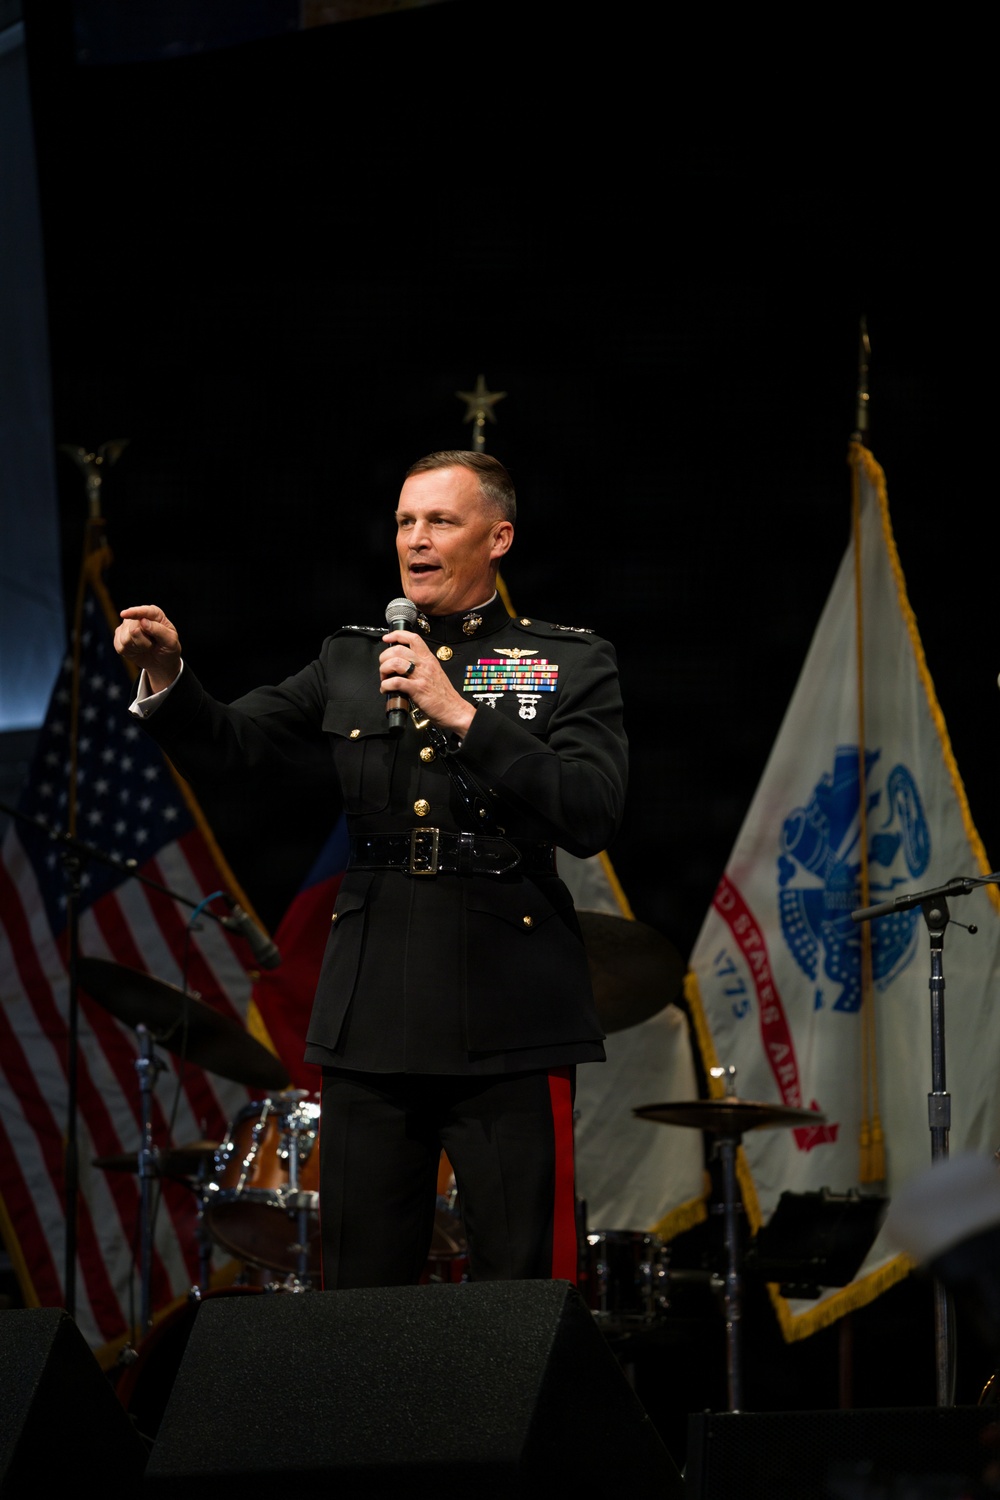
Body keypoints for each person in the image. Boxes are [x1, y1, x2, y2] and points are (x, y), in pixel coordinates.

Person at [114, 449, 628, 1290]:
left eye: (440, 521)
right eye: (404, 522)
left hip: (508, 1006)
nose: (415, 540)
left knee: (508, 1290)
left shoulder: (568, 660)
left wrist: (459, 713)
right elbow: (235, 744)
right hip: (373, 1007)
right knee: (362, 1291)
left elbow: (592, 810)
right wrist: (168, 674)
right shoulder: (353, 658)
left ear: (498, 538)